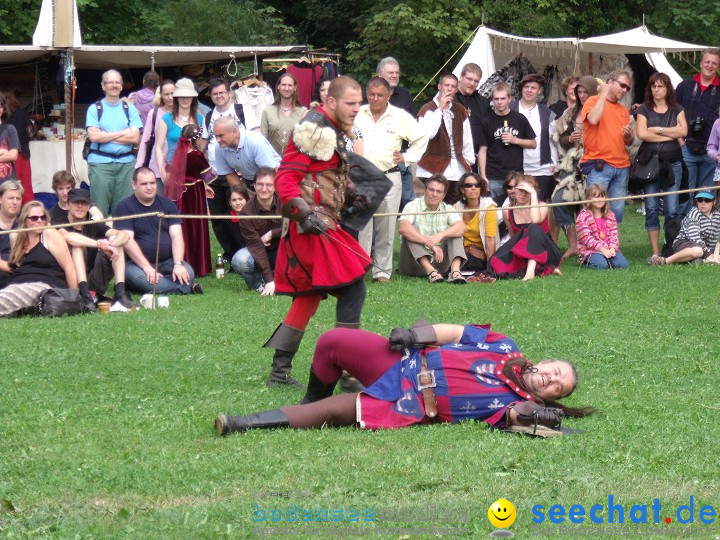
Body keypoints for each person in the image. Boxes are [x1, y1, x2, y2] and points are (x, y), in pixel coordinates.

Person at [215, 320, 594, 435]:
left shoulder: (518, 404)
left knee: (334, 413)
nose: (551, 380)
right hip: (406, 362)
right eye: (555, 371)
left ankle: (240, 424)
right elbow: (459, 332)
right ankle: (309, 399)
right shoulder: (505, 346)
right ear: (545, 361)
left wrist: (536, 418)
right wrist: (419, 335)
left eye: (558, 387)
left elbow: (513, 420)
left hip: (408, 402)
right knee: (332, 342)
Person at [266, 75, 371, 388]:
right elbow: (284, 179)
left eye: (359, 103)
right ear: (332, 102)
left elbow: (320, 176)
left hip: (321, 222)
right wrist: (304, 213)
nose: (356, 109)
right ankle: (349, 373)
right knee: (353, 287)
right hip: (312, 226)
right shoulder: (312, 129)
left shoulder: (331, 127)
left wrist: (351, 194)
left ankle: (278, 373)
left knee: (307, 298)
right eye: (351, 104)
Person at [354, 77, 429, 283]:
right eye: (371, 94)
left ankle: (382, 272)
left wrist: (408, 157)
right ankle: (361, 269)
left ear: (388, 95)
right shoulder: (357, 114)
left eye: (380, 95)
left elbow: (421, 137)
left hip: (389, 176)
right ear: (366, 94)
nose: (375, 98)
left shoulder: (399, 116)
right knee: (362, 228)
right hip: (362, 178)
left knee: (386, 227)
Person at [114, 167, 201, 295]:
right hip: (136, 265)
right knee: (139, 278)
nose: (149, 187)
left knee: (189, 272)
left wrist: (177, 264)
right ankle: (187, 288)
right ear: (134, 185)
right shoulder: (124, 207)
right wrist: (146, 267)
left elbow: (177, 237)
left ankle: (159, 286)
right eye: (144, 184)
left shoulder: (168, 204)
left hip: (167, 262)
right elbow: (128, 241)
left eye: (152, 183)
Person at [55, 188, 136, 311]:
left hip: (94, 281)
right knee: (77, 245)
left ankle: (120, 293)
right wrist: (99, 244)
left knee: (116, 241)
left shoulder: (92, 225)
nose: (80, 206)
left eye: (84, 203)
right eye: (76, 203)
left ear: (89, 207)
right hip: (70, 282)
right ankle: (85, 297)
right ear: (67, 205)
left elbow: (124, 236)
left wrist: (111, 244)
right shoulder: (59, 222)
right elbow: (69, 238)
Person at [635, 72, 688, 262]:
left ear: (668, 88)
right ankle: (655, 251)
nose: (656, 90)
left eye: (660, 86)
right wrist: (670, 135)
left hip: (673, 163)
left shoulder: (677, 109)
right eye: (653, 86)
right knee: (651, 207)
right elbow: (642, 134)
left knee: (672, 209)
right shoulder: (643, 109)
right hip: (650, 164)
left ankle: (670, 247)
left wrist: (657, 130)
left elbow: (683, 130)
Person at [199, 78, 248, 262]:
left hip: (236, 172)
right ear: (210, 96)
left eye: (222, 92)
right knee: (219, 219)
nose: (219, 96)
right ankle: (229, 253)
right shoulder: (208, 116)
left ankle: (244, 252)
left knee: (237, 213)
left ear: (229, 93)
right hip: (213, 174)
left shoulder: (241, 111)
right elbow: (203, 144)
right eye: (215, 93)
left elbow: (254, 134)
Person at [0, 202, 77, 318]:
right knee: (8, 294)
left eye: (43, 217)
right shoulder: (16, 237)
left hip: (43, 286)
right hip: (16, 285)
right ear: (24, 221)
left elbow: (69, 268)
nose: (39, 221)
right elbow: (15, 267)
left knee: (6, 297)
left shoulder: (49, 234)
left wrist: (73, 297)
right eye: (34, 218)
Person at [551, 75, 598, 259]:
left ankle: (593, 244)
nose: (582, 95)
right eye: (579, 92)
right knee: (558, 200)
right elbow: (561, 137)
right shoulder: (571, 112)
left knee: (588, 206)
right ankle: (573, 244)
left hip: (593, 163)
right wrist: (570, 139)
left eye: (586, 91)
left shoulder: (600, 110)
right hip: (571, 165)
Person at [85, 69, 143, 216]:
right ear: (103, 86)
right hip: (100, 164)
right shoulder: (95, 109)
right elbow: (94, 137)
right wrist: (124, 132)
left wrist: (105, 136)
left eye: (117, 82)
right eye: (110, 82)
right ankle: (99, 238)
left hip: (126, 165)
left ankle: (122, 239)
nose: (114, 85)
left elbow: (135, 138)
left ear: (122, 86)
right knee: (99, 210)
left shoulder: (129, 109)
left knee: (124, 211)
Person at [580, 70, 634, 224]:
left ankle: (612, 246)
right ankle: (594, 246)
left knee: (616, 212)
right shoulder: (592, 101)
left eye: (627, 88)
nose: (624, 90)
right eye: (622, 85)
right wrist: (603, 94)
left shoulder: (623, 110)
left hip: (622, 166)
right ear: (609, 82)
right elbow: (594, 119)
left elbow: (628, 142)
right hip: (599, 166)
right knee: (595, 210)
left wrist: (629, 135)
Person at [164, 124, 214, 277]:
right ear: (197, 138)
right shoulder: (196, 155)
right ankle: (200, 266)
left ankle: (185, 260)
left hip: (181, 194)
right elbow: (208, 175)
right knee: (197, 225)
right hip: (194, 193)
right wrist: (206, 183)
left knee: (184, 226)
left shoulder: (177, 153)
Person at [489, 176, 562, 281]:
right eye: (520, 190)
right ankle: (544, 268)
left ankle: (530, 271)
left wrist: (533, 195)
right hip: (521, 251)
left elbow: (535, 220)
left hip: (547, 251)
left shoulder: (542, 205)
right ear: (515, 190)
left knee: (533, 228)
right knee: (495, 261)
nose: (523, 194)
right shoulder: (507, 210)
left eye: (527, 192)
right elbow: (514, 238)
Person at [417, 74, 475, 205]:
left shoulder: (460, 110)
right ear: (439, 87)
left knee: (452, 208)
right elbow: (428, 134)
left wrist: (468, 162)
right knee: (434, 207)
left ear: (456, 90)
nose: (449, 89)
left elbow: (467, 139)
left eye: (453, 86)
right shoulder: (427, 109)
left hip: (457, 169)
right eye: (446, 85)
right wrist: (440, 109)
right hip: (432, 168)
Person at [397, 175, 467, 283]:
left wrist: (440, 235)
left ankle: (455, 272)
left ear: (443, 195)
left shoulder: (447, 208)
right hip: (412, 264)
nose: (434, 194)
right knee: (411, 230)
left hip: (440, 263)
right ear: (425, 190)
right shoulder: (412, 206)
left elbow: (462, 227)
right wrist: (430, 243)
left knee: (455, 232)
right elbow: (403, 228)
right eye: (431, 190)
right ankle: (430, 272)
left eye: (439, 192)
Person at [675, 48, 720, 212]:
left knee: (706, 198)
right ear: (701, 63)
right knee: (685, 195)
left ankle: (703, 235)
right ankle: (683, 234)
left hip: (711, 153)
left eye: (714, 63)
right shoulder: (685, 86)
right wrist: (680, 140)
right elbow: (672, 110)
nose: (710, 66)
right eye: (707, 62)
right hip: (687, 147)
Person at [478, 82, 537, 199]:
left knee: (516, 209)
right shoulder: (487, 122)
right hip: (494, 176)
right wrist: (483, 176)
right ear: (492, 100)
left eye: (503, 98)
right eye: (496, 99)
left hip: (516, 176)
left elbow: (533, 143)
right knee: (495, 212)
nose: (499, 102)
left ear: (509, 99)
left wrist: (515, 140)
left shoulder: (519, 119)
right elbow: (482, 151)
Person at [510, 74, 558, 204]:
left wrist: (553, 163)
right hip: (516, 166)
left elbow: (553, 140)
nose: (529, 90)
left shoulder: (547, 113)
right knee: (515, 205)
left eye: (533, 87)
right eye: (526, 87)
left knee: (538, 204)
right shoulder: (510, 108)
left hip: (540, 167)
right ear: (521, 88)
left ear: (540, 91)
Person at [232, 168, 281, 294]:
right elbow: (255, 246)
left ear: (276, 186)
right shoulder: (246, 213)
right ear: (254, 185)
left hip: (284, 250)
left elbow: (295, 226)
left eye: (269, 185)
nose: (264, 189)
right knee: (240, 260)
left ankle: (287, 281)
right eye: (260, 184)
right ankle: (260, 285)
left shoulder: (285, 202)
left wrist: (272, 233)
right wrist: (269, 280)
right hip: (259, 251)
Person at [377, 57, 418, 210]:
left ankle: (410, 233)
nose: (395, 76)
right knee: (382, 202)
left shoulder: (405, 94)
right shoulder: (371, 95)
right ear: (380, 75)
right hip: (379, 159)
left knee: (408, 199)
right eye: (390, 73)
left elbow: (413, 124)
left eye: (397, 73)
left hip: (401, 156)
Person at [648, 191, 720, 265]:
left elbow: (713, 238)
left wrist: (711, 252)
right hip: (683, 243)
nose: (703, 203)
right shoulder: (694, 213)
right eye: (700, 200)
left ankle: (701, 261)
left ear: (714, 202)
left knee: (706, 253)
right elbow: (694, 237)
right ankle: (664, 261)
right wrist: (708, 253)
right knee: (698, 251)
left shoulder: (717, 215)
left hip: (702, 247)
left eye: (707, 200)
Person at [154, 78, 204, 184]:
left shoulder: (200, 119)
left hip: (194, 171)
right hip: (173, 170)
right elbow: (158, 147)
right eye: (182, 96)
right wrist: (162, 171)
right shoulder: (166, 119)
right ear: (176, 97)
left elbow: (200, 147)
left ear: (193, 98)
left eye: (188, 96)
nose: (185, 100)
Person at [212, 116, 281, 189]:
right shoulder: (219, 147)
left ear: (234, 131)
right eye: (216, 136)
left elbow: (269, 173)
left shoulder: (255, 142)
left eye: (221, 135)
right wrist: (241, 195)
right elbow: (230, 174)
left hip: (275, 177)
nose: (217, 140)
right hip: (249, 181)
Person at [575, 184, 629, 270]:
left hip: (608, 248)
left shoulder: (610, 215)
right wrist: (602, 250)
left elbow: (613, 234)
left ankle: (608, 259)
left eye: (602, 196)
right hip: (591, 250)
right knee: (601, 265)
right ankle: (586, 261)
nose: (600, 200)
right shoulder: (583, 216)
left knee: (623, 264)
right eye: (596, 197)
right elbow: (586, 238)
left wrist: (612, 248)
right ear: (589, 199)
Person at [453, 172, 497, 276]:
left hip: (482, 254)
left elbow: (490, 239)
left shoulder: (488, 207)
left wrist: (490, 267)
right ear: (462, 189)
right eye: (469, 185)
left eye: (477, 185)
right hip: (462, 252)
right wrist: (468, 249)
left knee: (471, 263)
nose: (473, 188)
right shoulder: (456, 207)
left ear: (481, 188)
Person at [135, 79, 175, 189]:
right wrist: (139, 165)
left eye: (173, 93)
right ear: (161, 95)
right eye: (166, 94)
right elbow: (145, 140)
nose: (170, 97)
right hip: (156, 167)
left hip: (178, 167)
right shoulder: (154, 113)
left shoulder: (184, 113)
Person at [261, 74, 308, 156]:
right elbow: (262, 142)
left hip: (295, 164)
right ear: (278, 87)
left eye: (290, 85)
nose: (286, 88)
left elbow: (306, 143)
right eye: (283, 85)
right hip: (273, 164)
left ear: (295, 88)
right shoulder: (267, 111)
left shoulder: (303, 113)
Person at [454, 63, 493, 162]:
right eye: (469, 79)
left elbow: (491, 129)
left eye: (476, 81)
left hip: (477, 158)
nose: (472, 84)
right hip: (453, 159)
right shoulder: (449, 100)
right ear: (461, 77)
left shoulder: (483, 102)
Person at [1, 89, 34, 203]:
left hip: (10, 154)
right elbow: (30, 131)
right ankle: (27, 212)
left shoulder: (5, 119)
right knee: (25, 186)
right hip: (22, 153)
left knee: (10, 188)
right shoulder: (22, 113)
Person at [0, 180, 22, 288]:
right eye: (10, 198)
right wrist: (19, 270)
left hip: (23, 275)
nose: (15, 202)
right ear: (0, 199)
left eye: (18, 198)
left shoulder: (27, 222)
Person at [226, 184, 251, 264]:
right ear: (230, 202)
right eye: (234, 200)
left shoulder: (254, 216)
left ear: (246, 200)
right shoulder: (227, 219)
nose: (238, 203)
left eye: (240, 199)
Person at [0, 92, 20, 187]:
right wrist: (3, 151)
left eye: (0, 106)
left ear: (3, 109)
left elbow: (13, 156)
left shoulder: (10, 129)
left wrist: (7, 153)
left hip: (7, 184)